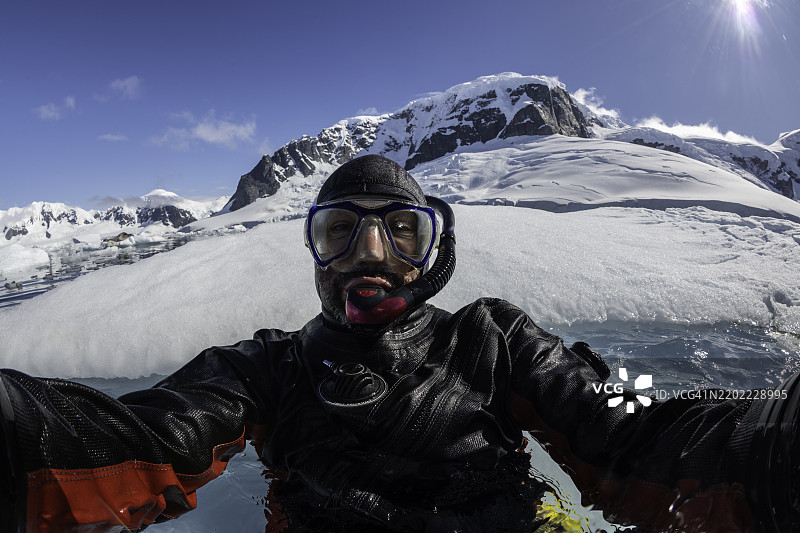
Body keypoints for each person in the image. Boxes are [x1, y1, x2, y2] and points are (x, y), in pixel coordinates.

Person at [0, 154, 798, 532]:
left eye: (400, 230)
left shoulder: (494, 338)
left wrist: (769, 441)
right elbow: (131, 439)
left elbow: (626, 424)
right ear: (314, 256)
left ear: (429, 251)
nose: (371, 255)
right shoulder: (266, 368)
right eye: (340, 231)